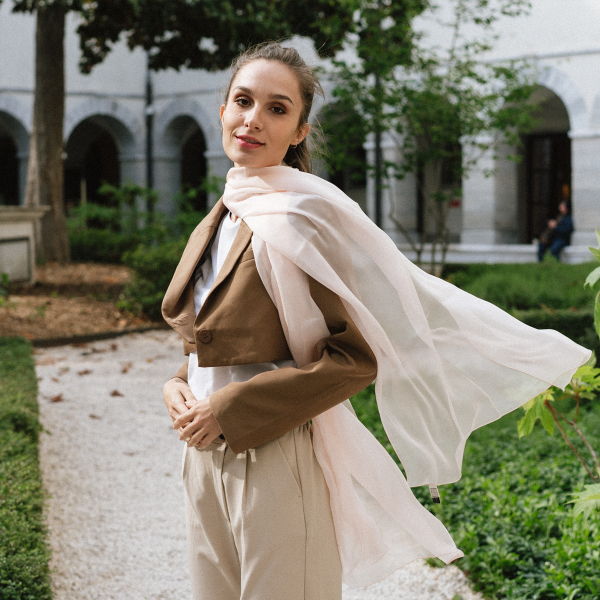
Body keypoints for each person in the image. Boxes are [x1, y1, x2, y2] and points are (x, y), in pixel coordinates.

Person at [162, 43, 590, 600]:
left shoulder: (307, 218)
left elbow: (355, 360)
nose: (253, 119)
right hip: (200, 455)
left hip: (273, 453)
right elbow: (217, 337)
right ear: (223, 111)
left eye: (277, 108)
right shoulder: (226, 211)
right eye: (243, 101)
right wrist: (178, 384)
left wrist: (230, 408)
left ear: (299, 132)